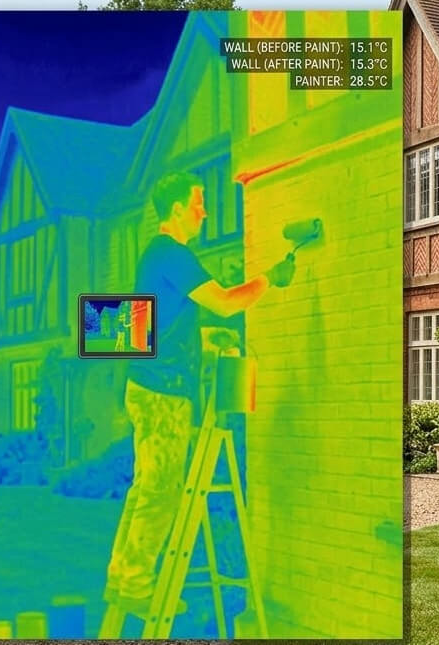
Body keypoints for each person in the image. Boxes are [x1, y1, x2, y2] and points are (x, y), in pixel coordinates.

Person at [104, 171, 297, 615]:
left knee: (145, 488)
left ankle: (123, 574)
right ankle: (135, 586)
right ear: (177, 209)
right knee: (161, 490)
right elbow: (227, 303)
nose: (204, 212)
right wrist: (270, 278)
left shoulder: (156, 256)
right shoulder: (172, 254)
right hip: (164, 394)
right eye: (198, 203)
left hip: (149, 386)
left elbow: (164, 325)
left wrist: (205, 341)